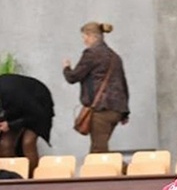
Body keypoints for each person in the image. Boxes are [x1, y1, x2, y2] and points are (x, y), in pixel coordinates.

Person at [63, 22, 129, 153]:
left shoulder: (91, 54)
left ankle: (123, 171)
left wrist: (66, 67)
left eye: (84, 37)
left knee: (98, 151)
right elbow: (122, 84)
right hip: (116, 109)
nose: (84, 40)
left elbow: (73, 77)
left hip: (101, 109)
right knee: (99, 148)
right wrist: (125, 113)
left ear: (91, 36)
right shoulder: (115, 57)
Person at [0, 73, 55, 177]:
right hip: (15, 111)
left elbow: (36, 115)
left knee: (28, 143)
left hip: (38, 111)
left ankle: (32, 177)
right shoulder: (6, 96)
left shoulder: (12, 92)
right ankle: (11, 175)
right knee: (5, 144)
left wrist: (11, 125)